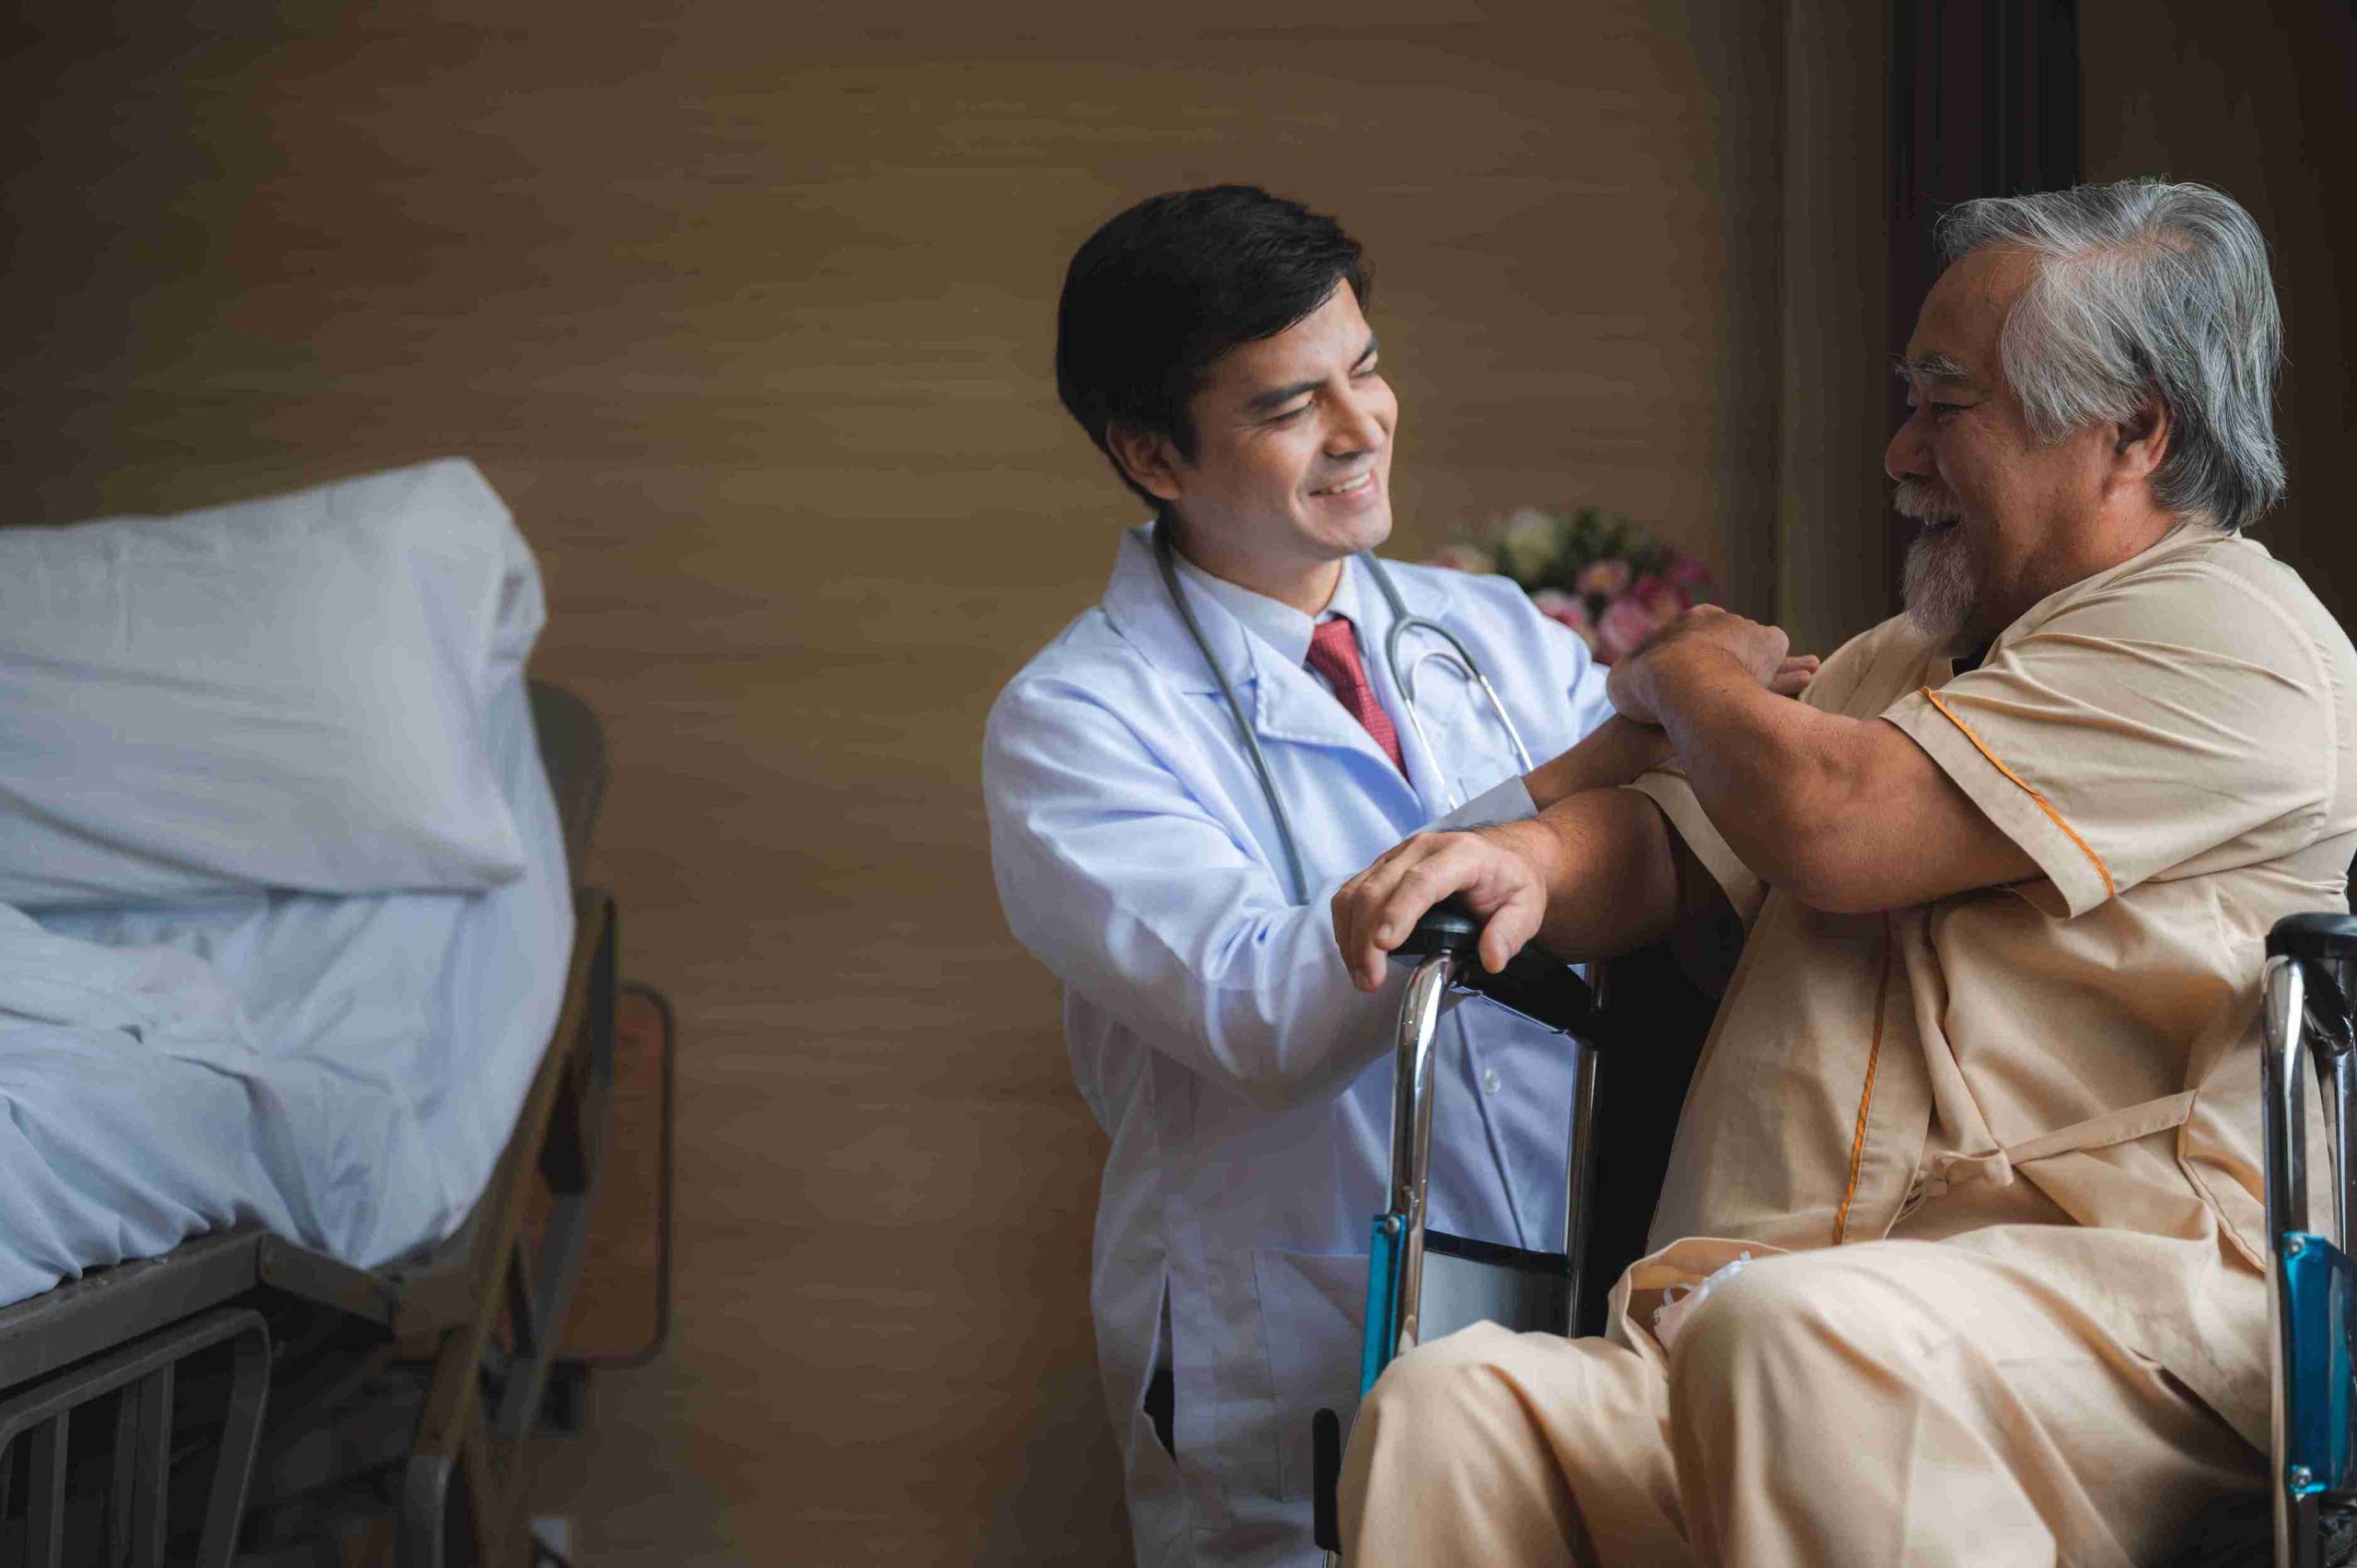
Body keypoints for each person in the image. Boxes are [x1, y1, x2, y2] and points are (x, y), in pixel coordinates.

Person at [1329, 177, 2356, 1565]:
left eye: (1947, 405)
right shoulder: (1894, 664)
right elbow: (1679, 839)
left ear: (2131, 432)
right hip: (1791, 1301)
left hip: (2121, 1323)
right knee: (1455, 1407)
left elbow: (1831, 822)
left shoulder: (2231, 642)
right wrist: (1523, 856)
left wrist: (1684, 667)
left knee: (1794, 1341)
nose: (1899, 448)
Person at [981, 185, 1807, 1566]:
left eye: (1365, 368)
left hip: (1566, 1283)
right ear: (1151, 451)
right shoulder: (1076, 722)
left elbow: (1666, 836)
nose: (1362, 427)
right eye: (1289, 405)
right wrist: (1571, 779)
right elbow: (1260, 1007)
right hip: (1285, 1336)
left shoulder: (1487, 632)